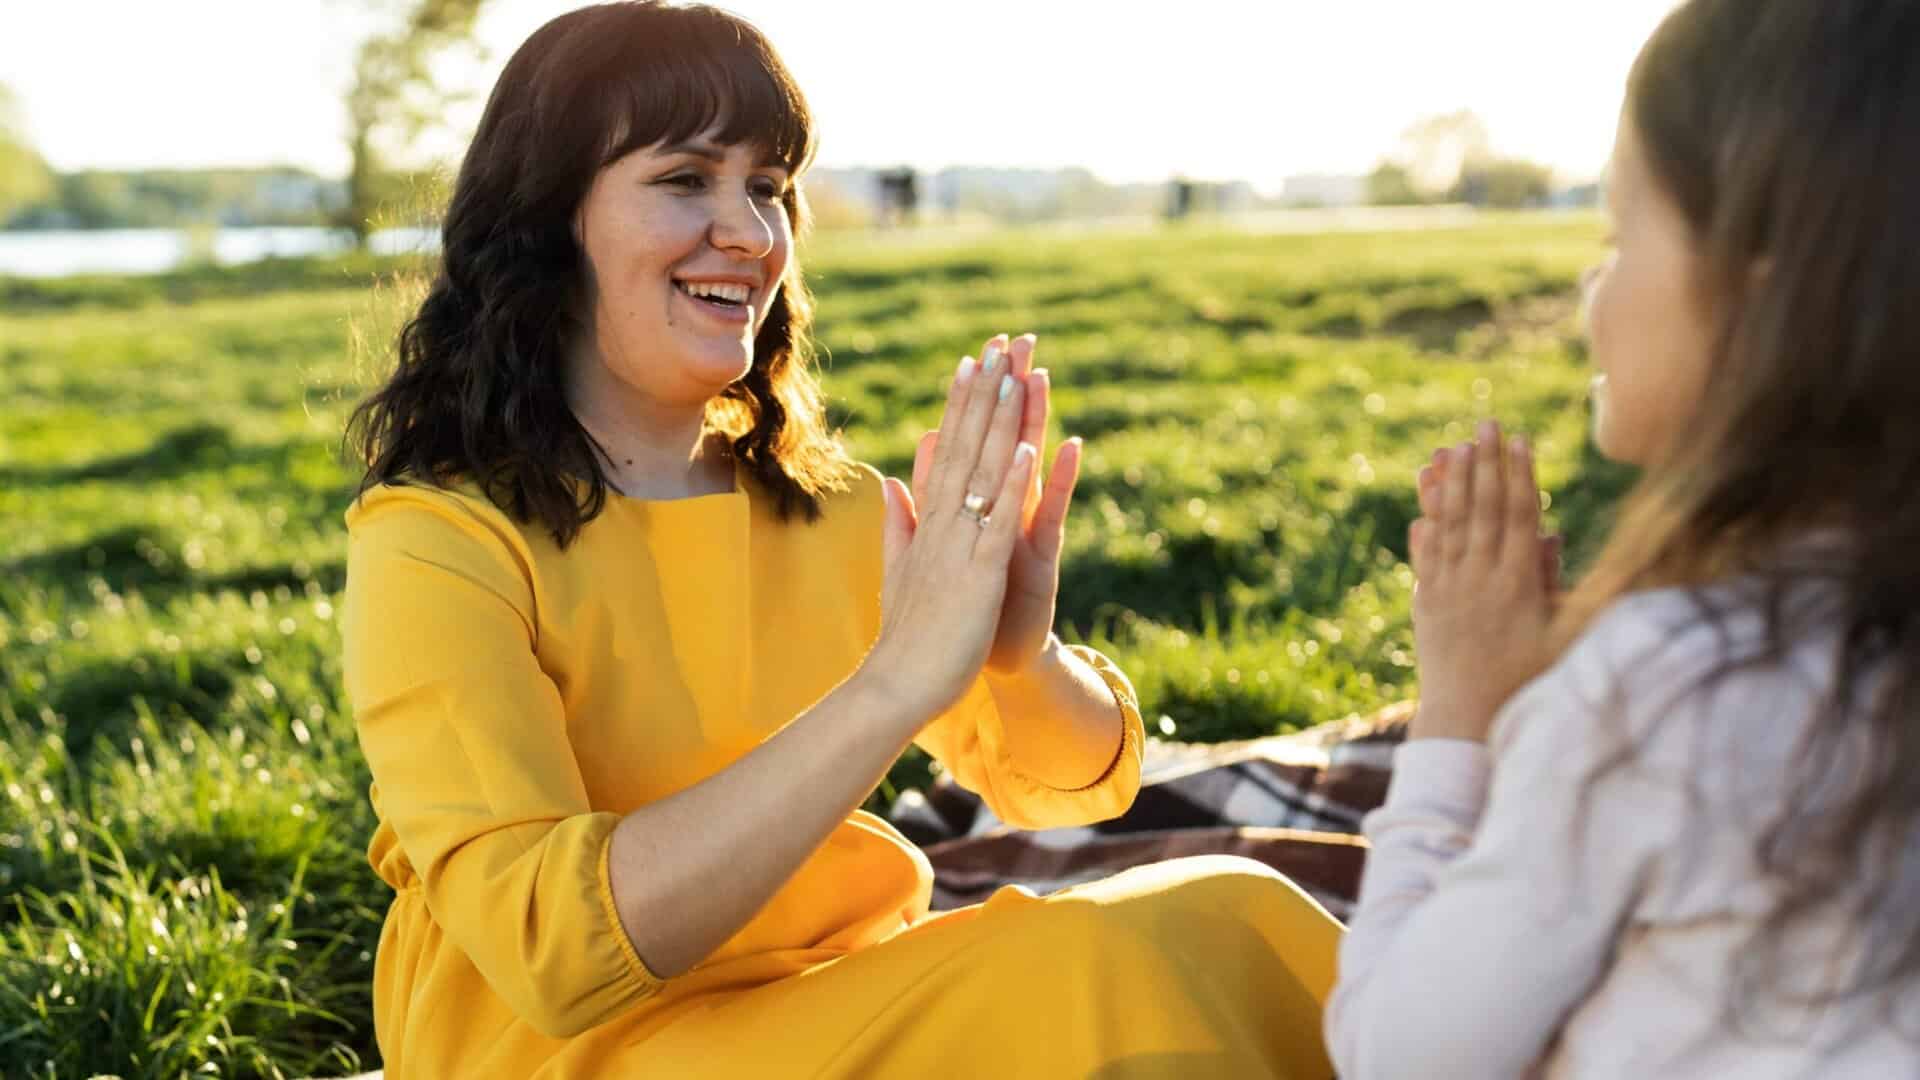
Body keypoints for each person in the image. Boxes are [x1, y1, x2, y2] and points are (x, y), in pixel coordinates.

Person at [340, 3, 1340, 1076]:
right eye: (685, 179)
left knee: (1231, 917)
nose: (751, 233)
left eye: (767, 188)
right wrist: (890, 687)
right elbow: (553, 953)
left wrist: (1018, 657)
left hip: (828, 997)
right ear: (546, 224)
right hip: (571, 1051)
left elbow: (1068, 789)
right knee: (1098, 972)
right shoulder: (437, 546)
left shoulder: (831, 509)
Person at [1325, 0, 1920, 1075]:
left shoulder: (1668, 687)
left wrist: (1460, 710)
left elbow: (1398, 1055)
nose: (1593, 285)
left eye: (1617, 233)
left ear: (1758, 286)